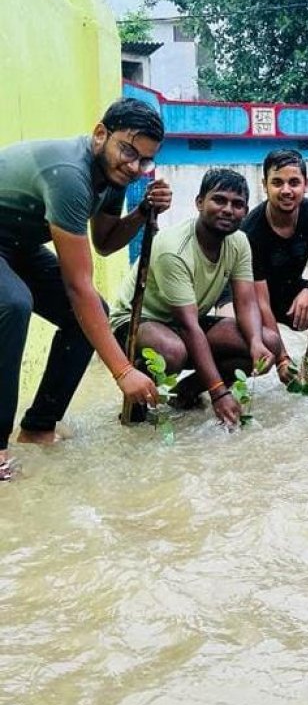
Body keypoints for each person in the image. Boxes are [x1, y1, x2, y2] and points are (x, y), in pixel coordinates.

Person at [0, 97, 172, 482]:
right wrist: (123, 371)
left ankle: (39, 427)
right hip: (6, 242)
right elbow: (79, 287)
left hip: (17, 244)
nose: (134, 166)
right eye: (128, 150)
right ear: (100, 134)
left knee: (93, 314)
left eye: (144, 160)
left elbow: (106, 242)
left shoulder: (113, 177)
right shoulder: (70, 175)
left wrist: (142, 212)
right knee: (14, 303)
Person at [110, 168, 279, 428]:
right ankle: (138, 408)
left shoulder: (240, 242)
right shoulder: (174, 249)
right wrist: (218, 392)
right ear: (199, 203)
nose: (227, 210)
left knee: (269, 341)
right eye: (219, 200)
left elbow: (245, 302)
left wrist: (256, 341)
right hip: (138, 322)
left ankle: (184, 393)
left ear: (245, 212)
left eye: (237, 204)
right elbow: (189, 327)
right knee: (172, 351)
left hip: (187, 323)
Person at [220, 149, 308, 383]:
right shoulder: (251, 230)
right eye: (277, 183)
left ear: (306, 184)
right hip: (244, 295)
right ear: (265, 185)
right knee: (234, 333)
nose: (286, 190)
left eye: (294, 182)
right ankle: (209, 388)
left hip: (286, 288)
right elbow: (260, 300)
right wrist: (282, 358)